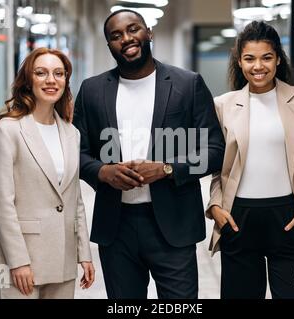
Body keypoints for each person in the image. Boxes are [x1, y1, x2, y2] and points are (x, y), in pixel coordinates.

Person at [73, 9, 225, 299]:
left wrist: (167, 168)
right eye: (116, 36)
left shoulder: (187, 84)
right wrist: (103, 172)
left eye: (133, 29)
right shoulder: (92, 90)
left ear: (149, 32)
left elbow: (215, 150)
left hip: (173, 223)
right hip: (116, 227)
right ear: (109, 45)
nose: (126, 39)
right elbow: (76, 153)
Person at [207, 21, 294, 299]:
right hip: (238, 221)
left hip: (292, 220)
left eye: (266, 57)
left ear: (278, 59)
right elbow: (218, 169)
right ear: (239, 61)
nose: (258, 66)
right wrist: (215, 206)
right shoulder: (222, 105)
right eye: (249, 58)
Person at [0, 47, 95, 299]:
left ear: (66, 81)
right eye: (41, 73)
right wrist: (18, 261)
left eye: (59, 73)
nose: (51, 80)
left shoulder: (71, 133)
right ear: (28, 80)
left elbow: (74, 199)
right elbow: (2, 204)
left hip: (63, 256)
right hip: (21, 260)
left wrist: (84, 254)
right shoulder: (7, 130)